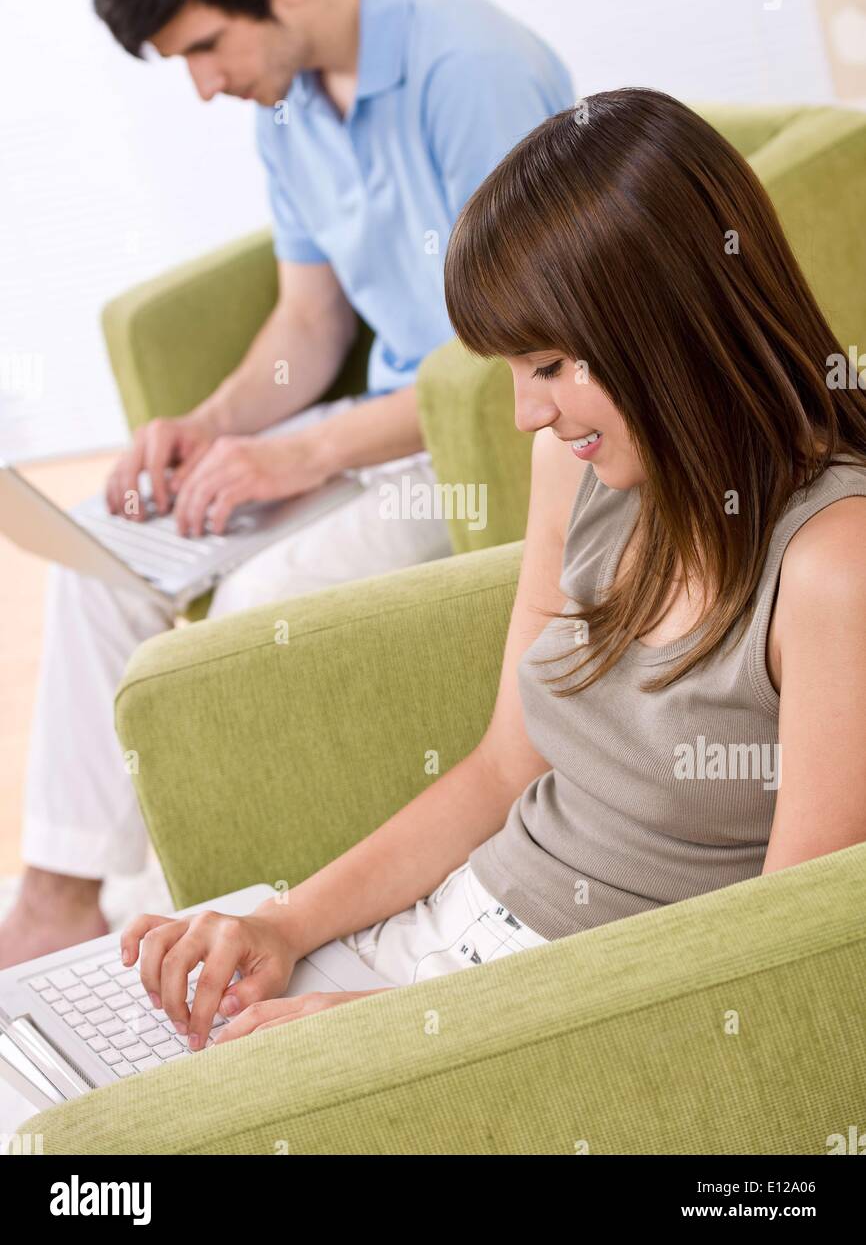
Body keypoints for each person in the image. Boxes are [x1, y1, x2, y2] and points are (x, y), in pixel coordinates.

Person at [116, 87, 866, 1051]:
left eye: (550, 366)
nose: (525, 417)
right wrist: (285, 924)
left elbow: (784, 963)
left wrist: (426, 1032)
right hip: (446, 944)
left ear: (673, 327)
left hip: (562, 1029)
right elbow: (504, 767)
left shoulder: (830, 566)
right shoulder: (584, 466)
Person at [0, 0, 574, 967]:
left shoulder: (471, 66)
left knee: (258, 599)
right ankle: (57, 900)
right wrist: (214, 427)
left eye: (205, 48)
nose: (203, 86)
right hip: (364, 431)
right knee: (100, 562)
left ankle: (196, 928)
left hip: (482, 439)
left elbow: (517, 351)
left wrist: (298, 455)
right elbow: (307, 325)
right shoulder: (288, 106)